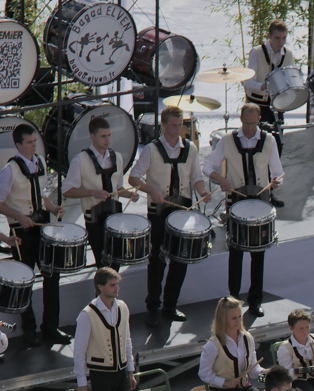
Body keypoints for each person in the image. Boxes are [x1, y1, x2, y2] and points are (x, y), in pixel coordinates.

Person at [128, 105, 211, 327]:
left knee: (180, 259)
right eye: (173, 125)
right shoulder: (152, 150)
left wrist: (203, 192)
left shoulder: (190, 148)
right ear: (164, 125)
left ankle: (170, 305)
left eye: (180, 124)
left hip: (182, 209)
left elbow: (197, 177)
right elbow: (133, 178)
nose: (177, 129)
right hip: (159, 210)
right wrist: (151, 190)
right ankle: (153, 307)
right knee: (156, 259)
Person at [203, 103, 284, 317]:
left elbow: (278, 172)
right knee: (236, 251)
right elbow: (207, 166)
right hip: (236, 198)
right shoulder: (228, 141)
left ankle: (255, 299)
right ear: (241, 119)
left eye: (252, 123)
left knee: (258, 253)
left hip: (260, 198)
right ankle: (233, 299)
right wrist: (221, 179)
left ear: (258, 119)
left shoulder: (269, 140)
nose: (249, 128)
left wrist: (276, 181)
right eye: (245, 123)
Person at [0, 123, 68, 347]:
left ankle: (51, 327)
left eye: (34, 142)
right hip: (22, 230)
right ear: (18, 145)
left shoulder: (39, 162)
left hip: (42, 225)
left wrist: (53, 208)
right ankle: (29, 330)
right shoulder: (9, 170)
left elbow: (42, 195)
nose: (33, 146)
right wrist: (19, 216)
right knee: (25, 279)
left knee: (52, 275)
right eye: (29, 143)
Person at [62, 115, 140, 269]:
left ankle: (113, 293)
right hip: (95, 219)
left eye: (109, 135)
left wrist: (129, 194)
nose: (107, 140)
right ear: (92, 136)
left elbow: (117, 188)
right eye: (103, 136)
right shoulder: (80, 160)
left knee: (116, 261)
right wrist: (92, 192)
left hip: (115, 215)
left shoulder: (116, 157)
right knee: (103, 264)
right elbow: (67, 191)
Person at [72, 268, 137, 391]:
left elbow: (127, 340)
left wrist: (130, 371)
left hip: (120, 371)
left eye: (117, 284)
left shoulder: (122, 307)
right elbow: (79, 350)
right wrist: (82, 381)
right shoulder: (87, 314)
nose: (117, 288)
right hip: (100, 374)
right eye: (112, 285)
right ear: (100, 287)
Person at [243, 19, 292, 150]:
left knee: (277, 144)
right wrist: (262, 86)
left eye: (284, 38)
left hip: (277, 104)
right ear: (269, 36)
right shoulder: (257, 52)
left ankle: (274, 170)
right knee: (257, 144)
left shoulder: (288, 55)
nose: (280, 42)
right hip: (257, 104)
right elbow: (247, 81)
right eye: (277, 38)